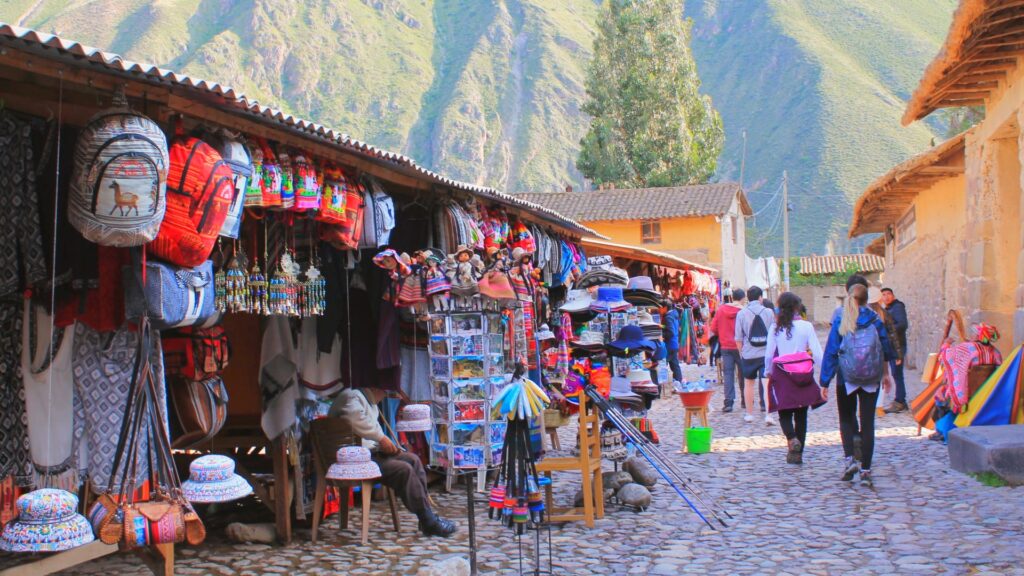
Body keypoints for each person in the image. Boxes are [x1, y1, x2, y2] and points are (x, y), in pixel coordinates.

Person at [330, 386, 458, 537]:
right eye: (384, 392)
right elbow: (356, 419)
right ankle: (428, 520)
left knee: (413, 460)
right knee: (403, 469)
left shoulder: (369, 402)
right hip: (354, 460)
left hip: (370, 454)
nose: (384, 397)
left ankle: (425, 516)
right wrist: (382, 439)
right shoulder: (352, 396)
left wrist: (388, 446)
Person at [820, 284, 896, 488]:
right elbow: (886, 348)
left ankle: (849, 460)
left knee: (846, 418)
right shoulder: (875, 319)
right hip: (871, 377)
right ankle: (866, 470)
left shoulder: (841, 319)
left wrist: (825, 381)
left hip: (847, 377)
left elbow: (831, 351)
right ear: (866, 299)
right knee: (868, 422)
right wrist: (887, 374)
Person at [764, 292, 823, 464]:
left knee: (784, 412)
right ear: (797, 307)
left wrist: (768, 370)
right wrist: (825, 372)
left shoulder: (775, 328)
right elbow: (818, 352)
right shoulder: (806, 326)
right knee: (801, 414)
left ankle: (791, 438)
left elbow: (769, 354)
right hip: (803, 372)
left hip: (782, 373)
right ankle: (798, 453)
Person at [734, 286, 775, 425]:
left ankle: (749, 414)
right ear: (760, 297)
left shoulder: (742, 313)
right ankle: (769, 415)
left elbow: (738, 338)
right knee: (767, 384)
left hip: (749, 354)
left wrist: (742, 353)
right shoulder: (769, 312)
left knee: (748, 384)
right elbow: (774, 333)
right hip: (765, 354)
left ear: (747, 298)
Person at [710, 287, 745, 412]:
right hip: (741, 347)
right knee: (742, 373)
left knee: (728, 374)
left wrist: (722, 333)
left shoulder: (721, 310)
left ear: (732, 297)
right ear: (743, 298)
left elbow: (713, 328)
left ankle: (729, 402)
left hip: (725, 347)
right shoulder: (743, 311)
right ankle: (745, 399)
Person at [880, 287, 909, 413]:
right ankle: (900, 400)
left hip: (898, 346)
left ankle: (900, 401)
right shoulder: (888, 309)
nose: (886, 297)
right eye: (884, 295)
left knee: (897, 374)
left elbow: (902, 324)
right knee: (896, 374)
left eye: (888, 294)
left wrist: (887, 331)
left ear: (893, 295)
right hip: (893, 346)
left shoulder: (897, 307)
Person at [662, 305, 683, 385]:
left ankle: (661, 384)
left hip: (669, 344)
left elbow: (670, 332)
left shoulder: (668, 317)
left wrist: (662, 335)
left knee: (663, 364)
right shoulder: (674, 315)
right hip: (674, 343)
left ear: (665, 307)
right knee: (675, 365)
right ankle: (678, 382)